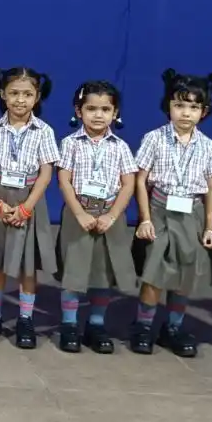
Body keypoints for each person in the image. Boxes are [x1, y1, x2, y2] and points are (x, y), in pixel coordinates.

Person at [131, 69, 212, 357]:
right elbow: (140, 180)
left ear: (203, 111)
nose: (186, 113)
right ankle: (143, 326)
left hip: (191, 213)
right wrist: (144, 218)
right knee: (154, 274)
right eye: (179, 105)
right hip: (160, 209)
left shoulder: (207, 146)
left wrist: (209, 227)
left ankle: (172, 327)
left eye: (193, 107)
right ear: (168, 106)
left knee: (185, 275)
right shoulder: (154, 139)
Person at [0, 67, 58, 349]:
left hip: (28, 200)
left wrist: (27, 207)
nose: (20, 100)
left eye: (27, 94)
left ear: (37, 96)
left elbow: (46, 173)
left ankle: (25, 318)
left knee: (26, 267)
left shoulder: (44, 131)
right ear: (2, 94)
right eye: (15, 93)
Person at [55, 80, 138, 354]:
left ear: (115, 113)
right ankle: (68, 324)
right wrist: (78, 212)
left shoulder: (121, 147)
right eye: (91, 108)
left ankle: (96, 324)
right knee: (75, 269)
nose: (98, 115)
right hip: (79, 212)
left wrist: (113, 216)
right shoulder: (70, 144)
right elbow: (64, 180)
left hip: (109, 215)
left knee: (103, 272)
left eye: (105, 109)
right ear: (79, 111)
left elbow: (128, 184)